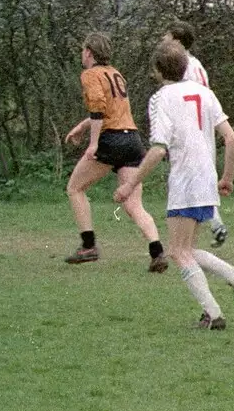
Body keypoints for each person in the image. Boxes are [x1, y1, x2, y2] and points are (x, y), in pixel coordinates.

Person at [115, 38, 234, 328]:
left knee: (178, 252)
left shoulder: (161, 98)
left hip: (185, 180)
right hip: (207, 178)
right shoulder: (205, 93)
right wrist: (226, 177)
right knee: (185, 249)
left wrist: (130, 185)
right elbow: (231, 139)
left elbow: (158, 149)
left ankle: (214, 314)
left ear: (157, 70)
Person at [61, 32, 165, 268]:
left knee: (75, 188)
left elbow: (98, 109)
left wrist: (93, 143)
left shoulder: (90, 74)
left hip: (112, 140)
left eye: (83, 50)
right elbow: (112, 110)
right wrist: (81, 126)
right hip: (132, 140)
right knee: (133, 204)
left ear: (89, 52)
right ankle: (157, 251)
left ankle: (88, 245)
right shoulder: (115, 74)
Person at [165, 20, 227, 246]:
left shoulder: (184, 67)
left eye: (167, 37)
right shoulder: (197, 64)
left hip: (194, 131)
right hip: (204, 128)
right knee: (201, 183)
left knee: (191, 183)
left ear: (177, 41)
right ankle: (214, 224)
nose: (164, 40)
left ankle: (207, 228)